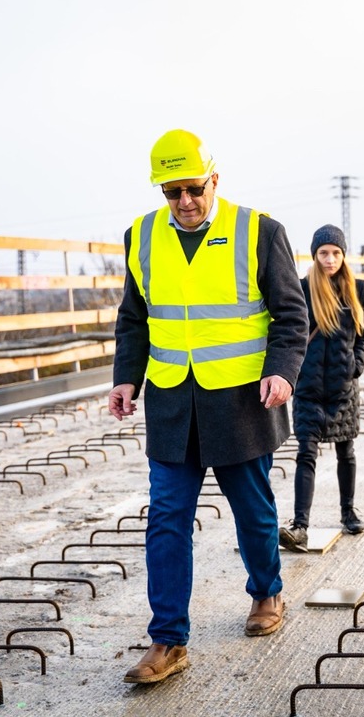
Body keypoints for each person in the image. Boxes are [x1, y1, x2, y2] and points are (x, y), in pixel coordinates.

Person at [108, 129, 309, 685]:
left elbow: (293, 316)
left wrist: (282, 372)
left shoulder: (259, 232)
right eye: (171, 192)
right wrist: (127, 379)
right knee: (167, 519)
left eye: (193, 188)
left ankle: (267, 592)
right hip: (173, 402)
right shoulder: (141, 237)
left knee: (253, 509)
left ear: (214, 179)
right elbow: (134, 317)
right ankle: (168, 638)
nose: (184, 202)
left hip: (243, 399)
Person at [278, 225, 364, 551]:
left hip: (342, 387)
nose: (330, 258)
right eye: (324, 253)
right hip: (308, 387)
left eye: (335, 252)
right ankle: (300, 524)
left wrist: (356, 364)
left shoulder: (358, 290)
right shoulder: (303, 289)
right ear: (315, 255)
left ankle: (348, 512)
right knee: (306, 453)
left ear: (343, 254)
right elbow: (288, 325)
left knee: (345, 452)